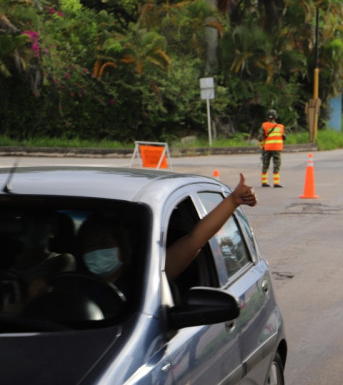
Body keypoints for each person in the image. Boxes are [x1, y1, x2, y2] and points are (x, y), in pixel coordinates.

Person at [78, 173, 257, 288]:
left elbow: (195, 240)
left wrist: (233, 201)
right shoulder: (70, 285)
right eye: (91, 246)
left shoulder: (146, 281)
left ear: (123, 249)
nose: (98, 251)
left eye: (105, 243)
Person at [1, 211, 77, 306]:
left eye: (38, 222)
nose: (30, 227)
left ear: (53, 230)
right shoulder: (6, 258)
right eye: (26, 222)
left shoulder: (62, 259)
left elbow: (61, 277)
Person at [259, 109, 286, 188]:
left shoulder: (264, 125)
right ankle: (276, 183)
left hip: (267, 148)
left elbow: (260, 138)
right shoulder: (280, 127)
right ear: (275, 117)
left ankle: (264, 182)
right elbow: (284, 137)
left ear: (267, 117)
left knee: (265, 164)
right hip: (277, 148)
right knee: (276, 164)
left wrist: (262, 147)